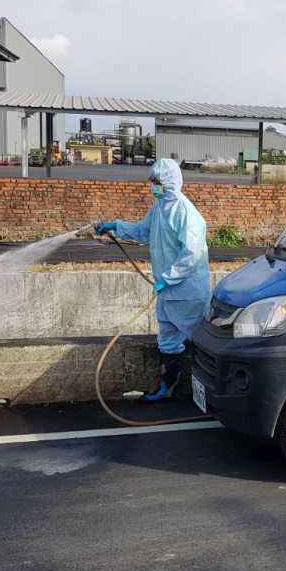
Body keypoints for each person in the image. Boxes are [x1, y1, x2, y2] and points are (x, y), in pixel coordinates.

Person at [95, 158, 210, 402]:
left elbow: (193, 253)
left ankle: (208, 392)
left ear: (168, 182)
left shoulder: (185, 211)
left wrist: (168, 278)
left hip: (186, 291)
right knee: (167, 340)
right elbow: (142, 231)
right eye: (152, 181)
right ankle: (167, 389)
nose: (152, 186)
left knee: (199, 340)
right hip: (167, 290)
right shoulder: (159, 207)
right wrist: (115, 226)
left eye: (156, 182)